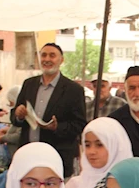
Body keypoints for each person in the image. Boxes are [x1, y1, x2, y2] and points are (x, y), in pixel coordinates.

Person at [11, 43, 87, 177]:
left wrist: (57, 127)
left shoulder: (73, 90)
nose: (47, 59)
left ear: (61, 60)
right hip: (28, 155)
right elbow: (15, 117)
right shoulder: (29, 84)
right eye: (44, 55)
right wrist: (18, 115)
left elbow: (79, 125)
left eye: (52, 55)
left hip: (56, 158)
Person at [0, 85, 22, 156]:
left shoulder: (23, 112)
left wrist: (3, 138)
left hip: (18, 153)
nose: (10, 104)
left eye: (11, 101)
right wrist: (8, 129)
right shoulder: (16, 111)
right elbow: (17, 127)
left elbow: (19, 136)